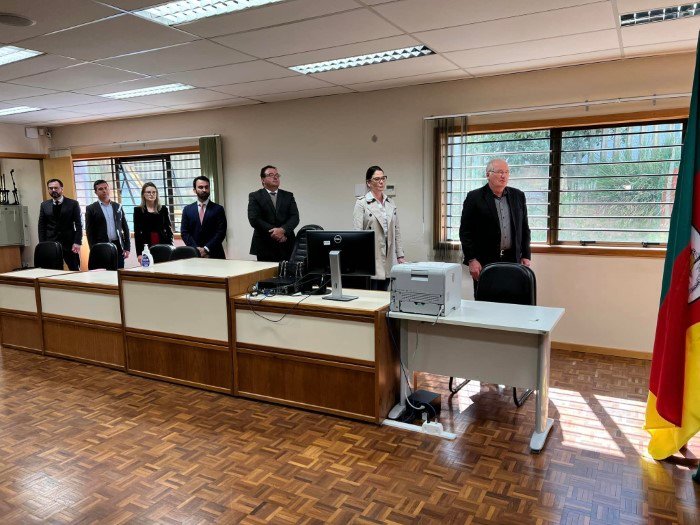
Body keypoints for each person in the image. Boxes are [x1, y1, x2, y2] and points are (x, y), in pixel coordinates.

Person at [459, 158, 531, 295]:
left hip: (512, 260)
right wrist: (472, 259)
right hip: (484, 262)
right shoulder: (474, 197)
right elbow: (465, 232)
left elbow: (524, 228)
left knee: (511, 299)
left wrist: (526, 255)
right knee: (486, 300)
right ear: (488, 174)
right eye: (499, 172)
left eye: (506, 172)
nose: (504, 176)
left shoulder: (518, 196)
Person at [353, 165, 405, 290]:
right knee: (372, 292)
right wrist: (359, 260)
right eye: (377, 179)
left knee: (385, 293)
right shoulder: (362, 203)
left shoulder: (390, 202)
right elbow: (357, 233)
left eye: (383, 178)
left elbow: (396, 231)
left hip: (389, 255)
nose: (381, 181)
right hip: (372, 256)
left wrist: (400, 255)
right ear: (369, 183)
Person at [247, 165, 300, 262]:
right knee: (267, 272)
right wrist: (276, 232)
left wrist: (283, 230)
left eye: (277, 175)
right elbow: (254, 219)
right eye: (271, 175)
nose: (275, 177)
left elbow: (295, 217)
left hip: (286, 242)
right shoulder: (255, 196)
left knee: (288, 271)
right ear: (263, 180)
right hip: (264, 244)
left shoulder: (288, 195)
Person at [38, 178, 82, 271]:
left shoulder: (73, 204)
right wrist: (42, 244)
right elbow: (41, 225)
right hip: (51, 242)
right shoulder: (44, 205)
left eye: (56, 188)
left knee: (74, 269)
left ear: (62, 188)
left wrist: (77, 242)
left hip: (69, 243)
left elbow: (79, 224)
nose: (53, 190)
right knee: (54, 270)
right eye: (50, 188)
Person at [85, 179, 130, 268]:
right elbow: (90, 232)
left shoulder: (118, 206)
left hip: (118, 246)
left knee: (119, 271)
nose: (104, 191)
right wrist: (94, 250)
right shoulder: (91, 208)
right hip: (102, 246)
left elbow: (125, 228)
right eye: (100, 189)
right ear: (96, 192)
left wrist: (127, 247)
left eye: (106, 188)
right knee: (105, 272)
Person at [180, 175, 227, 259]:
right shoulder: (187, 209)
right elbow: (184, 232)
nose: (204, 190)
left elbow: (221, 232)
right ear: (194, 190)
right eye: (200, 187)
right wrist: (196, 249)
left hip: (215, 254)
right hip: (193, 255)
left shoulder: (218, 209)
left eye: (206, 187)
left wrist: (206, 249)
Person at [133, 182, 174, 264]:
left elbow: (169, 230)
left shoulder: (163, 209)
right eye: (148, 192)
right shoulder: (138, 210)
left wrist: (171, 247)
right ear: (143, 194)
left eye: (154, 192)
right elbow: (137, 233)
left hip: (163, 243)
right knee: (149, 267)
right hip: (146, 245)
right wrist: (139, 254)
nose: (151, 194)